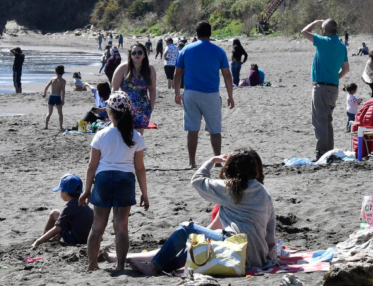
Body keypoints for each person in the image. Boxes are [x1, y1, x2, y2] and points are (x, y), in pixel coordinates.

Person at [104, 148, 266, 268]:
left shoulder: (227, 190)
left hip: (238, 251)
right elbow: (270, 231)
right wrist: (269, 253)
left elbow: (197, 180)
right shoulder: (263, 194)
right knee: (193, 244)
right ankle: (136, 260)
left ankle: (152, 266)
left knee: (186, 229)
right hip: (257, 256)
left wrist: (211, 161)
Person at [80, 91, 149, 272]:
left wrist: (87, 189)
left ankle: (92, 264)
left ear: (109, 112)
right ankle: (119, 265)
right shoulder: (136, 137)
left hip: (103, 179)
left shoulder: (101, 135)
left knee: (98, 225)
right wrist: (145, 193)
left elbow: (91, 166)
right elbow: (140, 168)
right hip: (125, 180)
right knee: (121, 225)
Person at [174, 21, 235, 168]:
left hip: (190, 93)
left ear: (196, 34)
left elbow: (177, 74)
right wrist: (230, 95)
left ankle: (192, 163)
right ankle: (218, 162)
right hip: (211, 94)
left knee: (192, 130)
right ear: (210, 34)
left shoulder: (186, 50)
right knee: (215, 130)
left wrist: (177, 93)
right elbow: (227, 75)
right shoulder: (219, 51)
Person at [301, 19, 350, 159]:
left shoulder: (324, 41)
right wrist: (334, 77)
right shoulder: (341, 46)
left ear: (324, 30)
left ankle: (322, 151)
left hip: (321, 86)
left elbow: (303, 32)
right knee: (327, 119)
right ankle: (329, 150)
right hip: (333, 87)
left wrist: (315, 22)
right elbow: (346, 69)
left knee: (319, 120)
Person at [32, 174, 93, 248]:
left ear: (65, 193)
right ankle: (56, 237)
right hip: (89, 239)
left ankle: (43, 239)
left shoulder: (68, 207)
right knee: (66, 219)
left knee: (54, 213)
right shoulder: (83, 204)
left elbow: (57, 228)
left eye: (60, 190)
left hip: (75, 241)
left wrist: (37, 242)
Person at [112, 43, 157, 135]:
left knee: (138, 137)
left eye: (140, 52)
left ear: (144, 54)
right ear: (130, 55)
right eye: (134, 53)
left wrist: (151, 106)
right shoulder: (123, 68)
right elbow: (114, 89)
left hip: (143, 109)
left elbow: (152, 89)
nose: (137, 54)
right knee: (123, 136)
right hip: (124, 108)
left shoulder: (150, 69)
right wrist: (114, 107)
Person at [42, 65, 67, 130]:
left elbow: (46, 87)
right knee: (60, 113)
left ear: (56, 72)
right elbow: (63, 91)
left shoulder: (52, 79)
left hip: (51, 96)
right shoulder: (63, 81)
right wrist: (63, 99)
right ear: (63, 72)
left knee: (49, 112)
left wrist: (44, 93)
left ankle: (46, 125)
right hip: (57, 97)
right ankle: (61, 127)